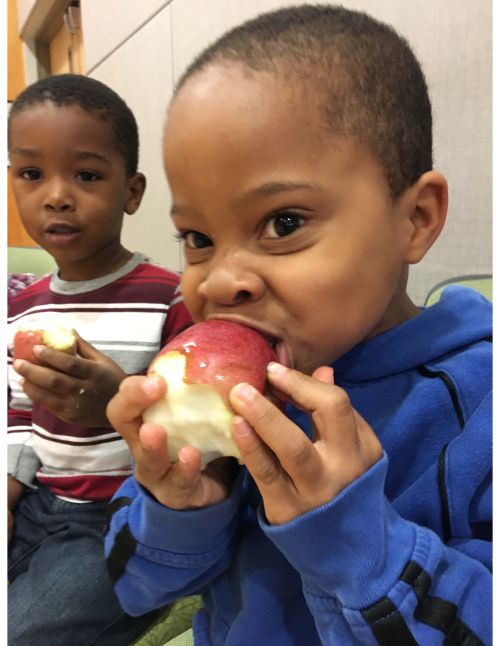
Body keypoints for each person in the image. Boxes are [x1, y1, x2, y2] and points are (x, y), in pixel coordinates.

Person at [104, 6, 492, 645]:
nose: (221, 279)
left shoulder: (480, 405)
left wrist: (352, 541)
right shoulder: (211, 400)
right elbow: (136, 586)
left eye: (283, 223)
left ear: (416, 218)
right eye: (197, 238)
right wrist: (178, 505)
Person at [7, 73, 192, 645]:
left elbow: (196, 436)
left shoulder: (170, 297)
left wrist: (118, 401)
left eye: (86, 175)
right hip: (42, 502)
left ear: (131, 192)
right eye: (31, 174)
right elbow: (17, 417)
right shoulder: (23, 308)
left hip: (120, 515)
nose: (56, 195)